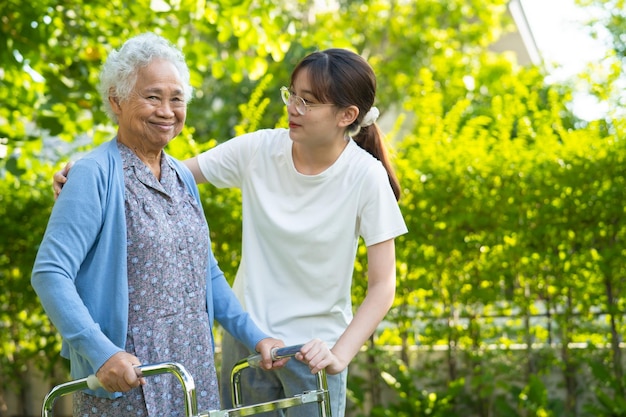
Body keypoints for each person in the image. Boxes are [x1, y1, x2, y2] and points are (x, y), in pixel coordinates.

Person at [54, 47, 408, 417]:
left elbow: (383, 286)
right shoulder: (260, 148)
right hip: (248, 346)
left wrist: (339, 354)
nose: (293, 108)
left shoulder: (366, 177)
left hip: (314, 351)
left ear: (346, 115)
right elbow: (157, 175)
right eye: (292, 95)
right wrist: (83, 176)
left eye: (309, 102)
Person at [33, 32, 285, 417]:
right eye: (152, 96)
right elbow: (50, 273)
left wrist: (257, 337)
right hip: (129, 377)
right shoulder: (93, 174)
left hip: (191, 369)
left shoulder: (182, 176)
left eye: (176, 98)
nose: (166, 110)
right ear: (116, 101)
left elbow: (207, 273)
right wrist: (103, 354)